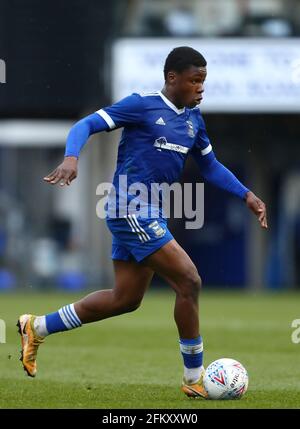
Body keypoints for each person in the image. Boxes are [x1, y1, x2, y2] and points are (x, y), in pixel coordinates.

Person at [17, 46, 267, 398]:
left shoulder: (195, 121)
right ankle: (194, 377)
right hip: (127, 207)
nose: (201, 88)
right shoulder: (142, 105)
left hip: (152, 211)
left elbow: (210, 166)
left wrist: (247, 195)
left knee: (126, 298)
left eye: (204, 81)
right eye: (195, 80)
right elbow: (86, 124)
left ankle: (37, 326)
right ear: (172, 78)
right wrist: (72, 158)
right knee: (189, 280)